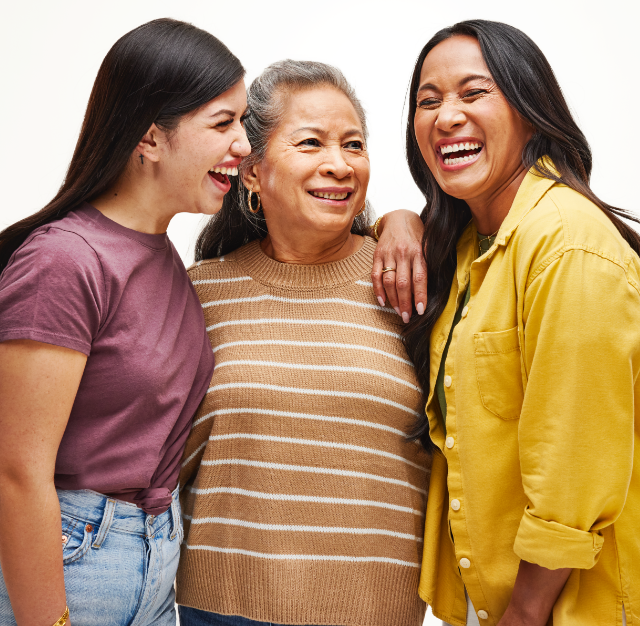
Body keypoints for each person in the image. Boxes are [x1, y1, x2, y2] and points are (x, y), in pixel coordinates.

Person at [0, 18, 251, 626]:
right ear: (149, 137)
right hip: (74, 563)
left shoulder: (164, 255)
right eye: (223, 123)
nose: (243, 145)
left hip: (155, 563)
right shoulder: (65, 259)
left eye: (242, 122)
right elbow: (15, 471)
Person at [399, 19, 640, 626]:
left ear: (531, 112)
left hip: (575, 610)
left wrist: (527, 612)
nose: (446, 116)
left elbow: (574, 463)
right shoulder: (468, 245)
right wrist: (396, 220)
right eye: (428, 101)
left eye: (473, 92)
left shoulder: (565, 245)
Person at [176, 60, 431, 626]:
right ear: (251, 172)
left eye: (354, 145)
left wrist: (406, 221)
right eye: (311, 142)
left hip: (377, 612)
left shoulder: (410, 280)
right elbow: (165, 461)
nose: (338, 165)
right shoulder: (198, 293)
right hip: (222, 609)